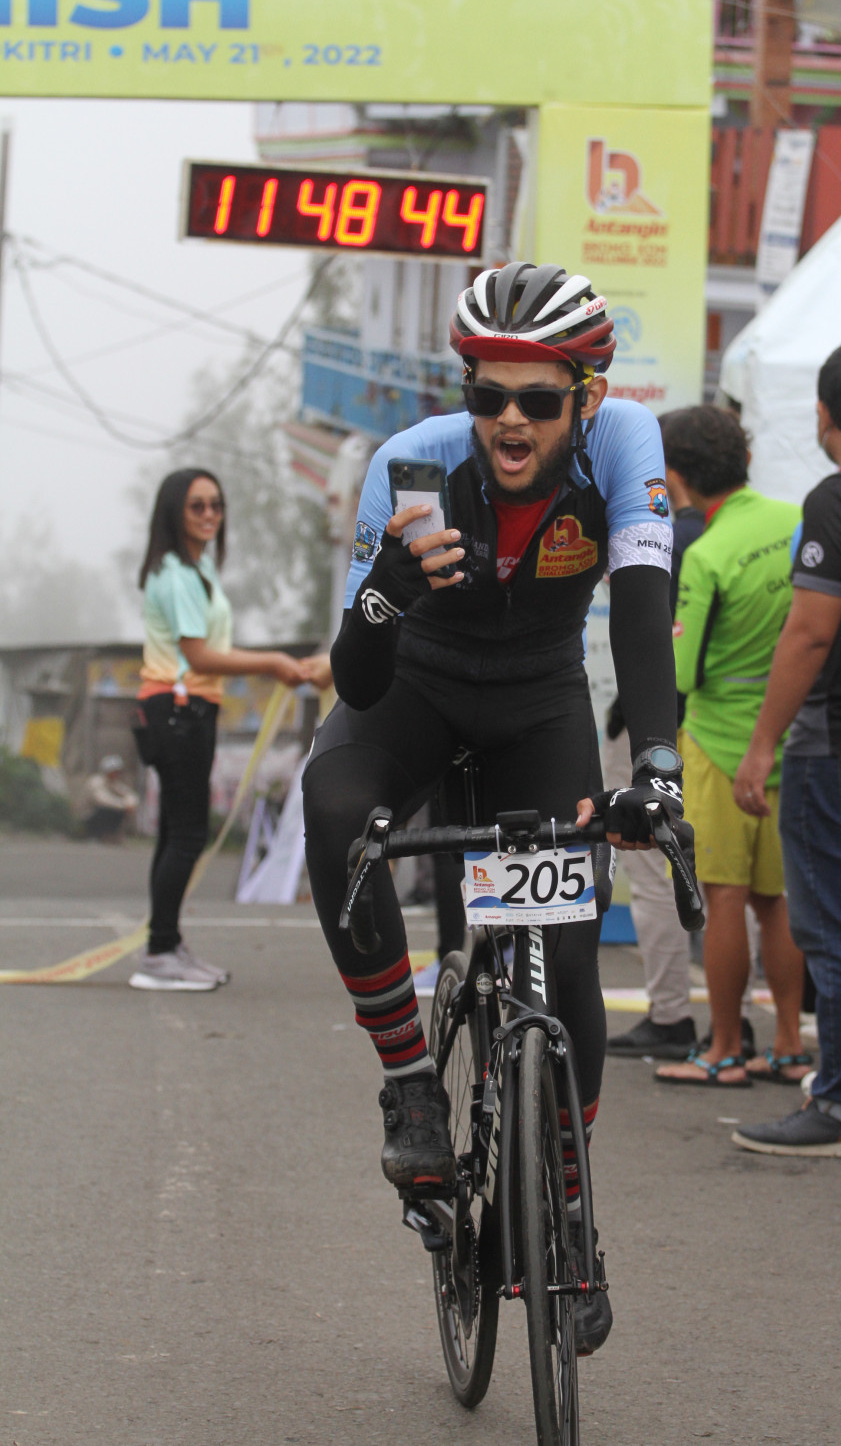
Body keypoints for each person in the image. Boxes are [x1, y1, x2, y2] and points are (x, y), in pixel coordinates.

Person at [301, 262, 685, 1354]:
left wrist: (656, 769)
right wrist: (385, 588)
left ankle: (566, 1203)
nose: (510, 421)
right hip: (416, 690)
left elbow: (642, 611)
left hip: (537, 703)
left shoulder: (623, 444)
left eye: (538, 399)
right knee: (335, 805)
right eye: (488, 395)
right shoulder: (413, 464)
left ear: (586, 398)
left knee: (567, 963)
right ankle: (411, 1082)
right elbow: (357, 679)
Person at [730, 337, 841, 1157]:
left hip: (835, 742)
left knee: (835, 927)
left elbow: (809, 631)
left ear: (823, 413)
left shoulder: (839, 499)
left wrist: (761, 744)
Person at [654, 407, 805, 1088]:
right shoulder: (794, 521)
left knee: (724, 900)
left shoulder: (708, 553)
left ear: (677, 475)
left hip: (718, 743)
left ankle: (722, 1050)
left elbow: (682, 672)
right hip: (787, 738)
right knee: (778, 902)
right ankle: (790, 1044)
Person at [130, 467, 316, 992]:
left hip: (186, 710)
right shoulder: (177, 575)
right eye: (198, 506)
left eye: (216, 504)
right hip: (178, 711)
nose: (210, 514)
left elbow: (208, 650)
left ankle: (166, 943)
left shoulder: (196, 569)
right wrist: (272, 662)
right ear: (175, 512)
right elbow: (199, 655)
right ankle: (159, 951)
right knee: (187, 835)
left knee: (176, 833)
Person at [606, 426, 705, 1060]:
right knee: (728, 884)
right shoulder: (739, 534)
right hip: (723, 725)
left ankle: (670, 1014)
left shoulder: (659, 535)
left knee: (649, 864)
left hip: (657, 729)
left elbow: (649, 637)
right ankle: (735, 1027)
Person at [82, 754, 138, 841]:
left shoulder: (113, 783)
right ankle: (95, 835)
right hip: (88, 815)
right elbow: (102, 800)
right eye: (114, 771)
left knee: (120, 811)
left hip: (103, 811)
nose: (117, 774)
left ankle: (110, 835)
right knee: (106, 810)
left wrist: (130, 804)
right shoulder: (96, 781)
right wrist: (123, 805)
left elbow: (129, 794)